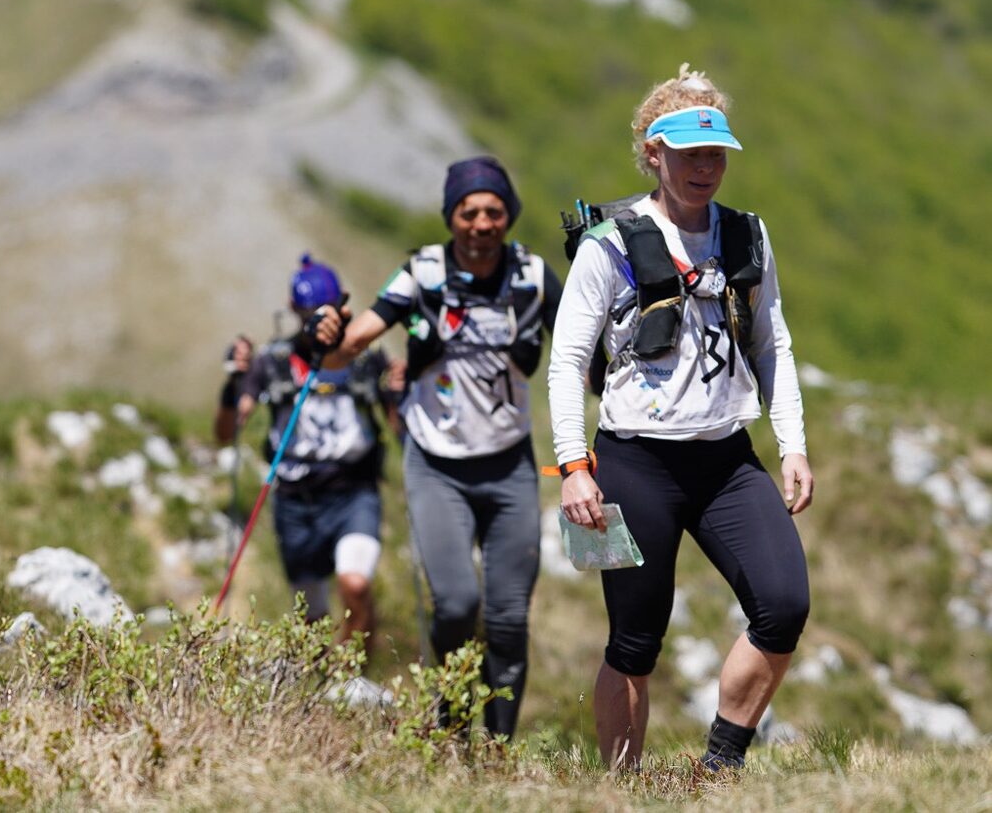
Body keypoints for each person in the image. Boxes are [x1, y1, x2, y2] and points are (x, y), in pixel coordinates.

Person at [548, 66, 813, 772]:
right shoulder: (609, 244)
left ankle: (719, 768)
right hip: (633, 464)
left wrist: (792, 445)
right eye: (689, 153)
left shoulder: (747, 236)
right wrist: (573, 467)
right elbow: (566, 362)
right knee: (634, 640)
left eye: (715, 153)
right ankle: (621, 785)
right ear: (653, 153)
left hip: (726, 460)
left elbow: (771, 343)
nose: (705, 168)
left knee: (783, 603)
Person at [312, 156, 562, 739]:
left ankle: (497, 748)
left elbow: (585, 344)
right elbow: (350, 343)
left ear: (510, 216)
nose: (481, 223)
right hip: (436, 468)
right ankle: (450, 732)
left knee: (506, 618)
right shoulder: (421, 273)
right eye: (468, 211)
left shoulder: (530, 274)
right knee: (453, 604)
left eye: (494, 211)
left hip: (510, 467)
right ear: (451, 217)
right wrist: (327, 335)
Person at [234, 255, 399, 658]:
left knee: (355, 585)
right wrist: (232, 384)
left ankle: (354, 679)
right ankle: (321, 695)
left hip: (353, 491)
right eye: (308, 313)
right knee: (311, 615)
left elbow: (399, 427)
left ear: (343, 306)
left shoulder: (366, 359)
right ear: (294, 310)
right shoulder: (272, 362)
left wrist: (400, 391)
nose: (316, 320)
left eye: (323, 311)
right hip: (295, 499)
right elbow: (230, 426)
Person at [214, 334, 254, 446]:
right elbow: (224, 436)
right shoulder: (230, 389)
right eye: (238, 353)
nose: (243, 357)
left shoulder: (258, 378)